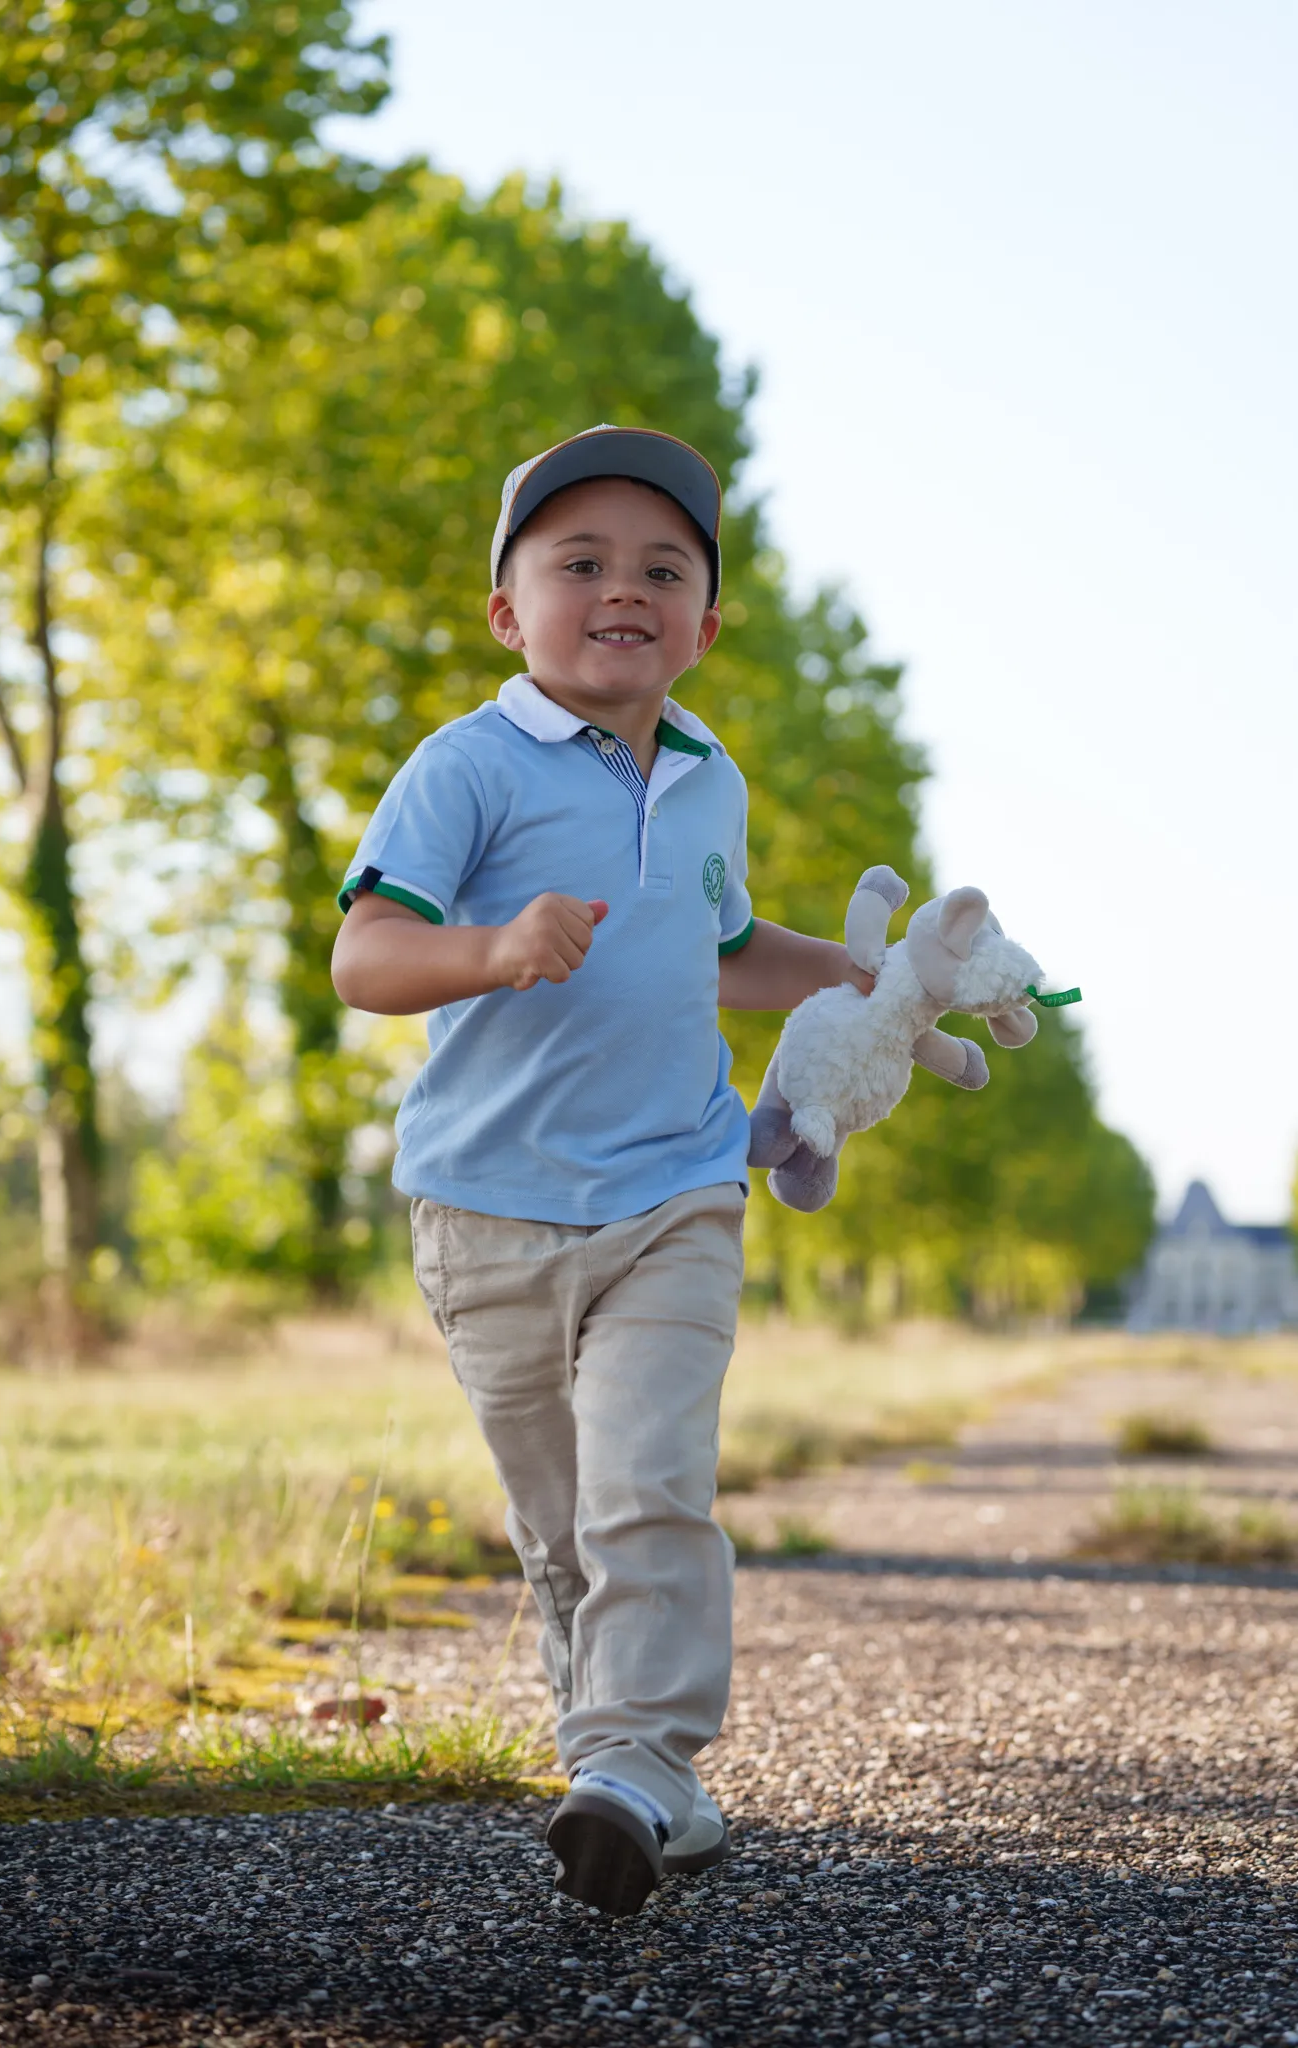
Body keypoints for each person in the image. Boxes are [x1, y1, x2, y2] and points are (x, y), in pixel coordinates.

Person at [331, 425, 874, 1916]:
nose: (621, 590)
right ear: (509, 612)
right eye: (580, 564)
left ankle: (641, 1760)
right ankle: (633, 1786)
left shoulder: (709, 780)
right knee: (564, 1528)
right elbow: (365, 956)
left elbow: (727, 949)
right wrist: (494, 951)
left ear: (706, 621)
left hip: (674, 1191)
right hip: (487, 1212)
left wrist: (874, 982)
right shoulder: (466, 766)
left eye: (662, 568)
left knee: (651, 1485)